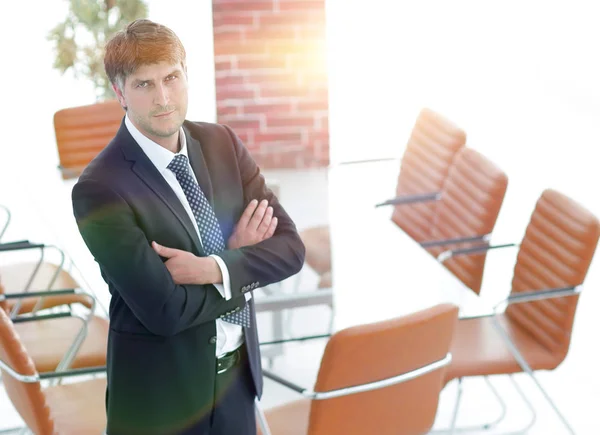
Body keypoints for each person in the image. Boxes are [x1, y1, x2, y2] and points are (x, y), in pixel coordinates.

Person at [72, 19, 305, 435]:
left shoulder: (222, 144)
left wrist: (214, 267)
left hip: (237, 383)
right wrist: (244, 261)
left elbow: (290, 250)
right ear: (120, 93)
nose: (163, 98)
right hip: (163, 402)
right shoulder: (100, 188)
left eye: (171, 78)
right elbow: (165, 311)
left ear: (185, 74)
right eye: (144, 85)